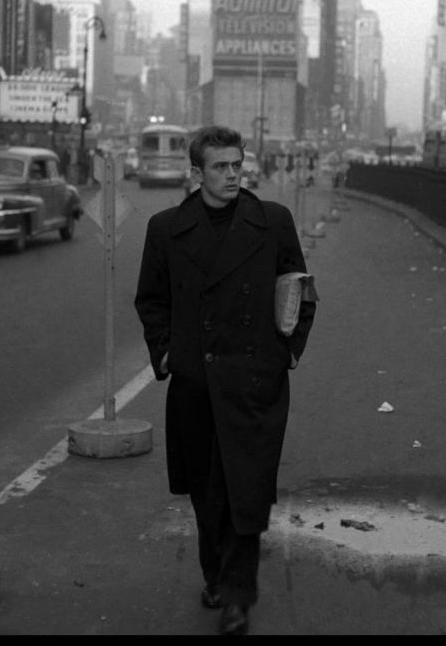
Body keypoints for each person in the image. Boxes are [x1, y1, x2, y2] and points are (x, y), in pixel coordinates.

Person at [134, 125, 317, 636]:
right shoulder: (166, 229)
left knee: (247, 493)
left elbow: (301, 290)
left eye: (238, 165)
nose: (233, 174)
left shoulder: (273, 221)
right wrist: (166, 354)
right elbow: (151, 299)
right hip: (195, 386)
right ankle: (214, 575)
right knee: (207, 495)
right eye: (221, 167)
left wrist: (288, 352)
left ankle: (238, 597)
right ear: (197, 173)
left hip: (255, 384)